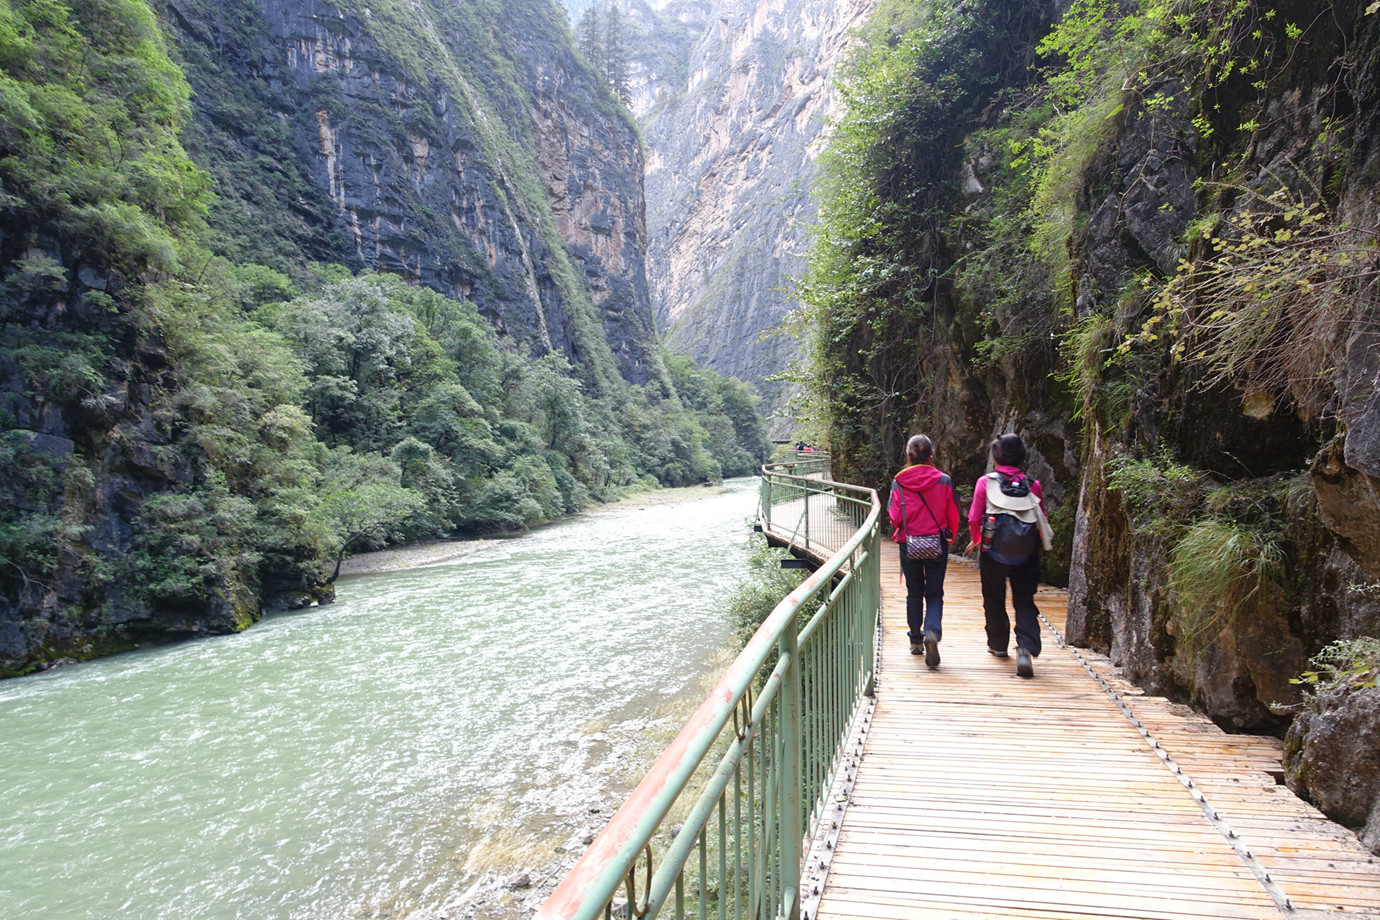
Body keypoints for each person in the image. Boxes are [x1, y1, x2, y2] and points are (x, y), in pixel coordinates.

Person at [964, 433, 1051, 679]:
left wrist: (978, 539)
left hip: (993, 550)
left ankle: (998, 645)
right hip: (1026, 551)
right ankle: (1025, 647)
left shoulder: (985, 482)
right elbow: (1040, 517)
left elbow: (973, 517)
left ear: (997, 456)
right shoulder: (1032, 485)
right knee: (1024, 600)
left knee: (993, 597)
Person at [888, 434, 961, 669]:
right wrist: (950, 537)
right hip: (937, 544)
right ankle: (931, 631)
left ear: (908, 455)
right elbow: (953, 515)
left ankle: (916, 642)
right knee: (934, 593)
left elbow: (894, 517)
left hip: (908, 543)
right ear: (931, 454)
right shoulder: (944, 480)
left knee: (914, 592)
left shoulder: (899, 481)